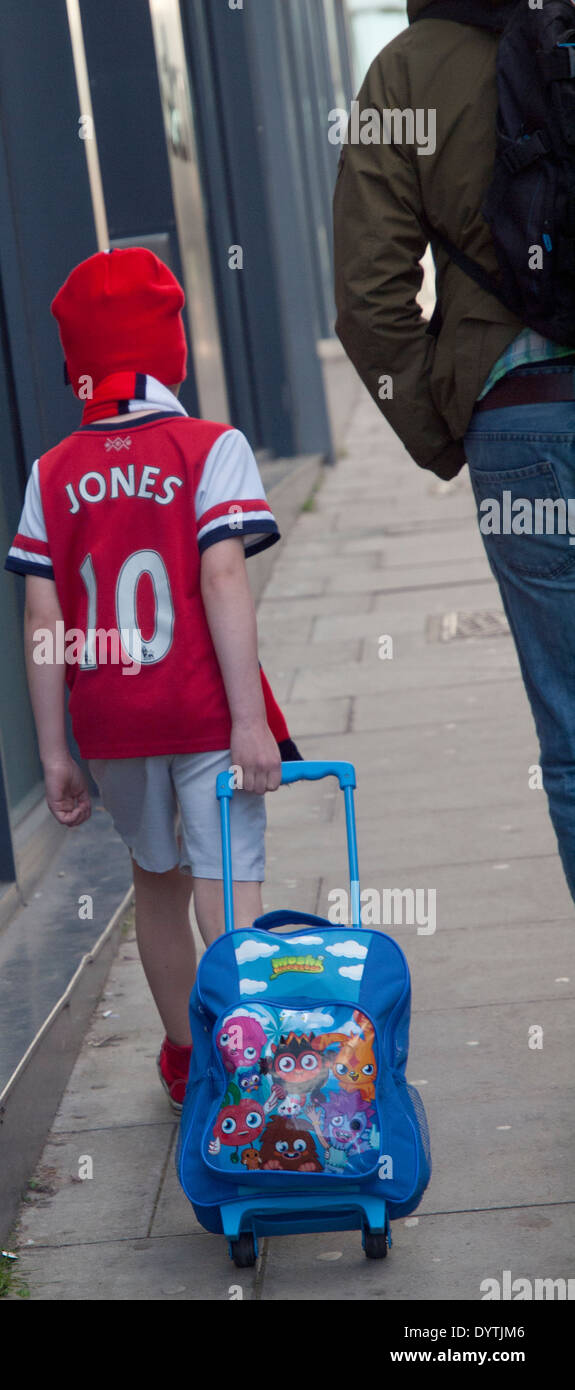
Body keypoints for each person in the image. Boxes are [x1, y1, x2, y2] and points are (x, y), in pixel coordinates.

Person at [4, 246, 286, 1108]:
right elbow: (222, 577)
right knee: (226, 883)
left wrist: (55, 747)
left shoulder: (51, 473)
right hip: (203, 711)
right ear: (170, 352)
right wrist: (249, 721)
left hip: (113, 720)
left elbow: (43, 620)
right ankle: (246, 1061)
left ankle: (182, 1056)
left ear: (76, 365)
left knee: (155, 884)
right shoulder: (211, 449)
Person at [333, 0, 575, 905]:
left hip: (518, 419)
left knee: (572, 729)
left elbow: (368, 294)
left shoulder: (407, 69)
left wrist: (443, 427)